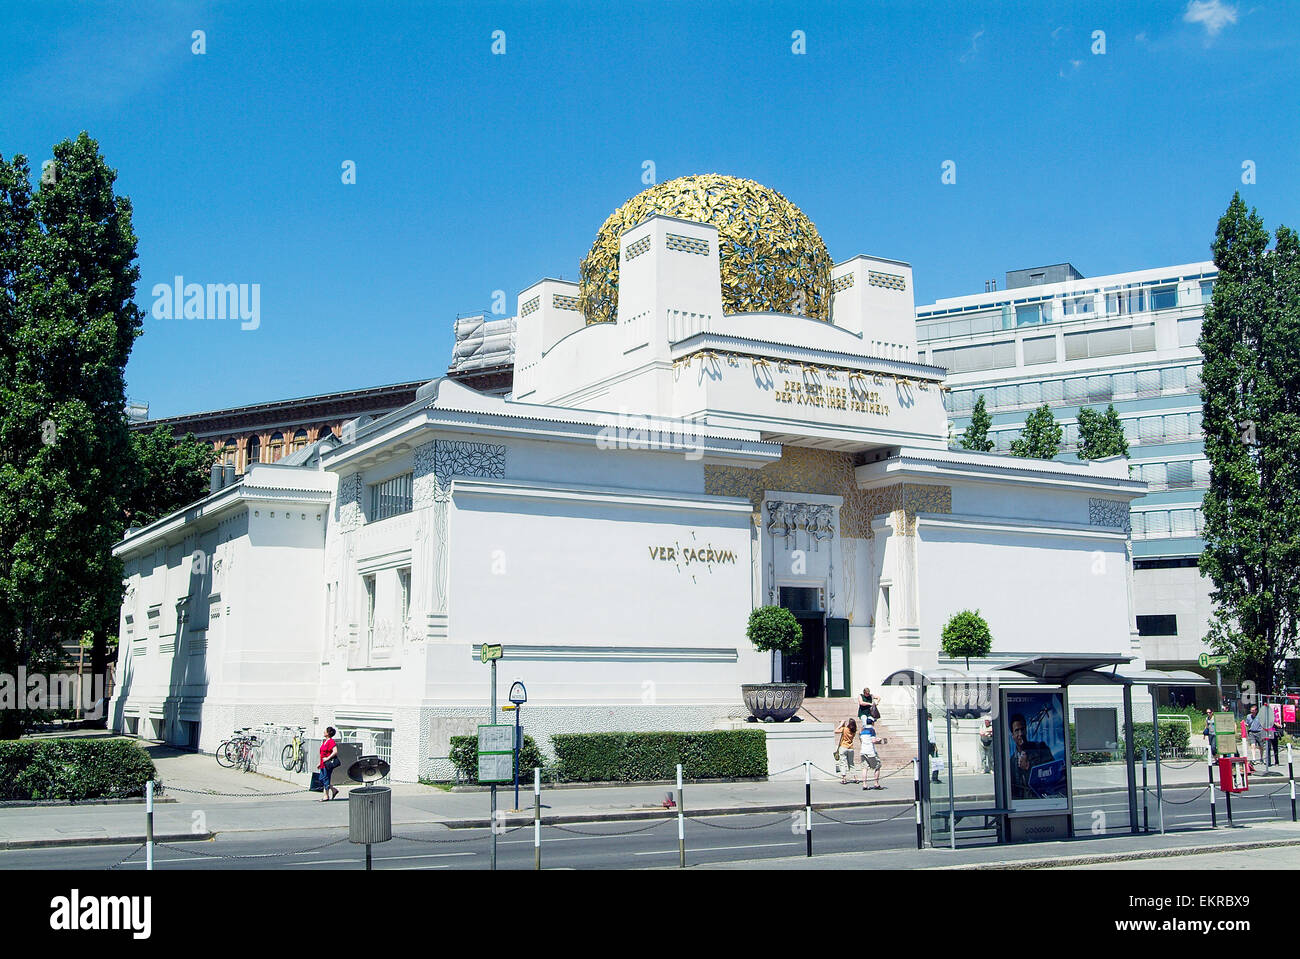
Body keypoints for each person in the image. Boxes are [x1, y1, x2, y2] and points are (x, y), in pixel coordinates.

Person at [1008, 713, 1055, 799]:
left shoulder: (1041, 749)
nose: (1020, 734)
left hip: (1041, 799)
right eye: (1017, 731)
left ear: (1026, 730)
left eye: (1022, 729)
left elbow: (1052, 773)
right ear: (1013, 735)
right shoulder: (1011, 762)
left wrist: (1028, 768)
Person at [318, 726, 340, 801]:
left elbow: (335, 751)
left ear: (328, 733)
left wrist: (328, 758)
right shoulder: (325, 741)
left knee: (326, 778)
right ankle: (334, 790)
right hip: (322, 763)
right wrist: (319, 763)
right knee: (321, 779)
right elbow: (322, 753)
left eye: (325, 731)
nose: (324, 732)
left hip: (327, 763)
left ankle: (326, 795)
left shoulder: (331, 741)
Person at [1245, 705, 1268, 772]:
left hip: (1259, 732)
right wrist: (1245, 725)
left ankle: (1261, 758)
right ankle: (1254, 758)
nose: (1252, 712)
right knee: (1253, 745)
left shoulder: (1260, 716)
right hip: (1251, 732)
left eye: (1253, 711)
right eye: (1251, 711)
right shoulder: (1248, 716)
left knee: (1261, 746)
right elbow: (1247, 723)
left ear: (1256, 711)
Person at [834, 718, 857, 783]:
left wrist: (841, 724)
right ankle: (855, 777)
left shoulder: (844, 729)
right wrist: (843, 724)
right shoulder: (854, 730)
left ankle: (844, 778)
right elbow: (846, 730)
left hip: (843, 747)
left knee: (842, 763)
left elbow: (836, 731)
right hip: (851, 748)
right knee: (851, 763)